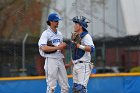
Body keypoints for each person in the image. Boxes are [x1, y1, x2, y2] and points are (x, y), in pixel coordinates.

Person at [38, 12, 69, 93]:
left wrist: (62, 47)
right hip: (51, 59)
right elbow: (43, 47)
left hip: (60, 59)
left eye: (58, 21)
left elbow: (61, 49)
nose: (57, 22)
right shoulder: (46, 33)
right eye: (56, 21)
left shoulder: (60, 34)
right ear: (50, 21)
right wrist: (58, 47)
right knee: (51, 86)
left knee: (65, 86)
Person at [65, 16, 95, 93]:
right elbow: (75, 55)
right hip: (75, 65)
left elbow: (92, 49)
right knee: (76, 89)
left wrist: (80, 46)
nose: (74, 25)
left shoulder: (86, 36)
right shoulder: (75, 36)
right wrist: (69, 64)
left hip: (83, 65)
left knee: (81, 89)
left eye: (76, 24)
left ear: (81, 25)